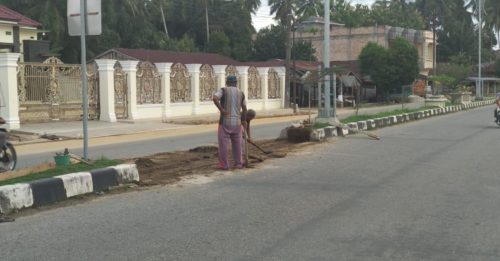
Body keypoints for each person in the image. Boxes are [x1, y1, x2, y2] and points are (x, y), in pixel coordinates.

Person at [213, 76, 247, 170]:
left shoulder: (223, 90)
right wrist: (244, 121)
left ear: (227, 82)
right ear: (236, 83)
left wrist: (222, 110)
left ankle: (224, 165)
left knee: (223, 145)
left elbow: (215, 98)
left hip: (225, 122)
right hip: (237, 123)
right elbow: (244, 109)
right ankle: (238, 164)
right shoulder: (241, 93)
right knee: (237, 144)